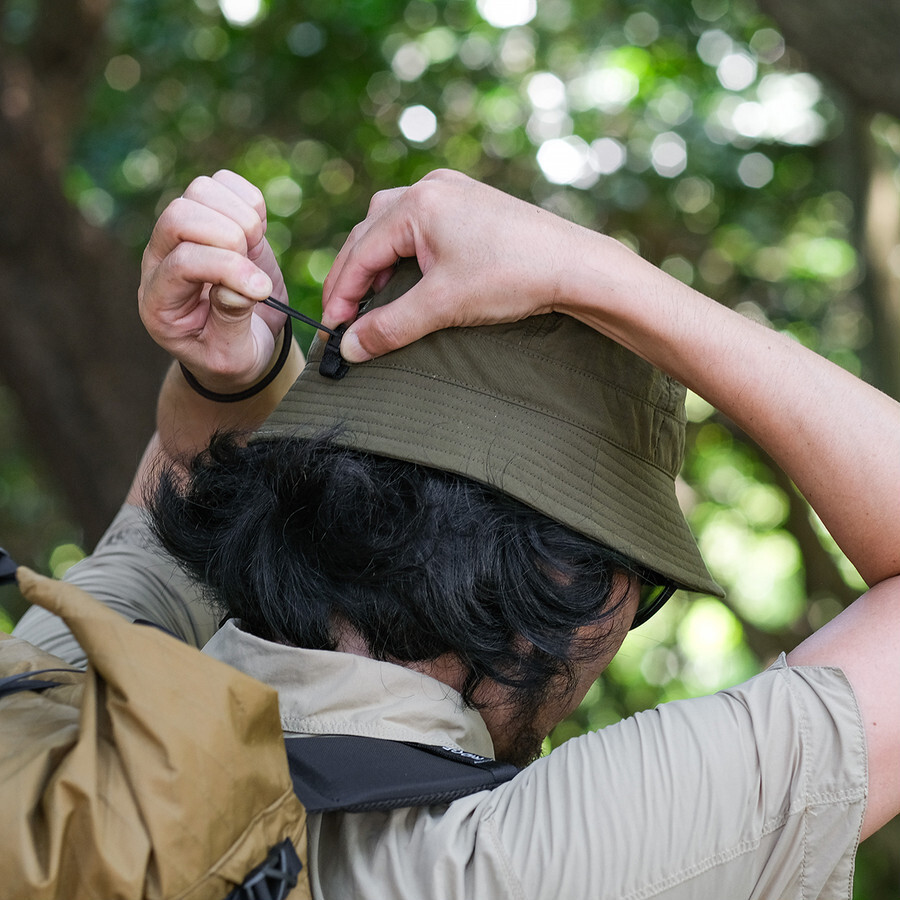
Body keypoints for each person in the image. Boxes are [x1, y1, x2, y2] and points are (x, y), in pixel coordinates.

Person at [13, 167, 900, 898]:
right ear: (575, 593)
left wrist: (238, 379)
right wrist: (588, 271)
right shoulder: (515, 867)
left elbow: (163, 511)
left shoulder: (57, 716)